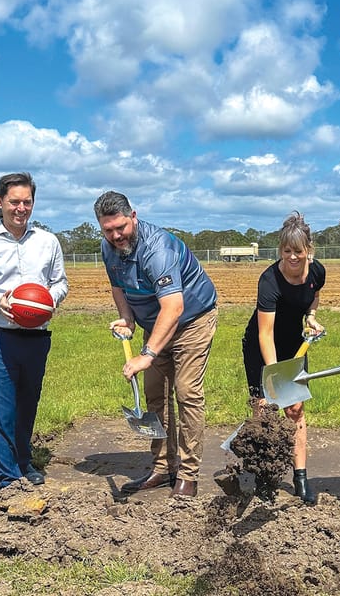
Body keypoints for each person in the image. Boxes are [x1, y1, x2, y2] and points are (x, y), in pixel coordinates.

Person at [94, 191, 218, 498]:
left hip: (192, 319)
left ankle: (187, 476)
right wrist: (127, 318)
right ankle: (163, 468)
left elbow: (173, 308)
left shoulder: (157, 248)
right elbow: (117, 284)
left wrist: (147, 354)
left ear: (133, 216)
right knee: (155, 396)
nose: (116, 235)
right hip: (155, 323)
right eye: (108, 230)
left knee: (187, 392)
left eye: (121, 227)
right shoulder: (108, 247)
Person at [0, 172, 68, 491]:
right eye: (14, 202)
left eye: (27, 202)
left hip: (37, 338)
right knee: (1, 406)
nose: (21, 208)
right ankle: (8, 477)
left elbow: (60, 283)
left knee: (27, 403)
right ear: (0, 203)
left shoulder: (48, 242)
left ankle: (24, 461)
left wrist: (48, 302)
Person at [242, 212, 325, 504]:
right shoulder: (269, 281)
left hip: (294, 346)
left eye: (298, 251)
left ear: (308, 251)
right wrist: (275, 376)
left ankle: (300, 478)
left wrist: (311, 317)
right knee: (265, 410)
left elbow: (313, 296)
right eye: (286, 251)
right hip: (260, 346)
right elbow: (265, 335)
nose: (292, 257)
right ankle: (261, 479)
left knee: (295, 409)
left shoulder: (317, 273)